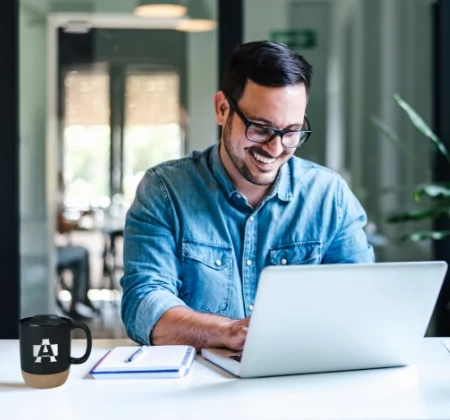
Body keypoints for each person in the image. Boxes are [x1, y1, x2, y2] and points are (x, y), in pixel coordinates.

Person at [121, 40, 375, 350]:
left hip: (303, 382)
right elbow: (144, 305)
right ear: (222, 108)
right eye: (260, 127)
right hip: (196, 389)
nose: (275, 147)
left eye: (291, 131)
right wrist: (229, 333)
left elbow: (360, 301)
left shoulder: (329, 196)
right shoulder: (164, 191)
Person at [56, 173, 99, 320]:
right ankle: (79, 301)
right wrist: (79, 219)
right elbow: (61, 226)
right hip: (51, 255)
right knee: (82, 254)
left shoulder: (54, 199)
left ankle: (80, 299)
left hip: (53, 249)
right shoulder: (50, 198)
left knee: (82, 252)